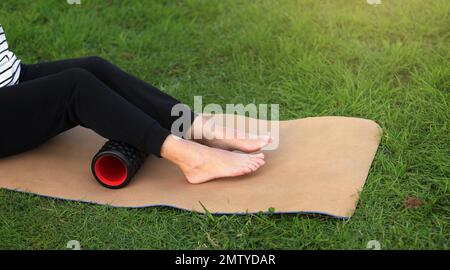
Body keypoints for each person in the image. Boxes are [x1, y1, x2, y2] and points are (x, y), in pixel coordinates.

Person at [0, 24, 271, 184]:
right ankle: (190, 158)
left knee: (94, 67)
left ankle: (197, 128)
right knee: (74, 87)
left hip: (13, 78)